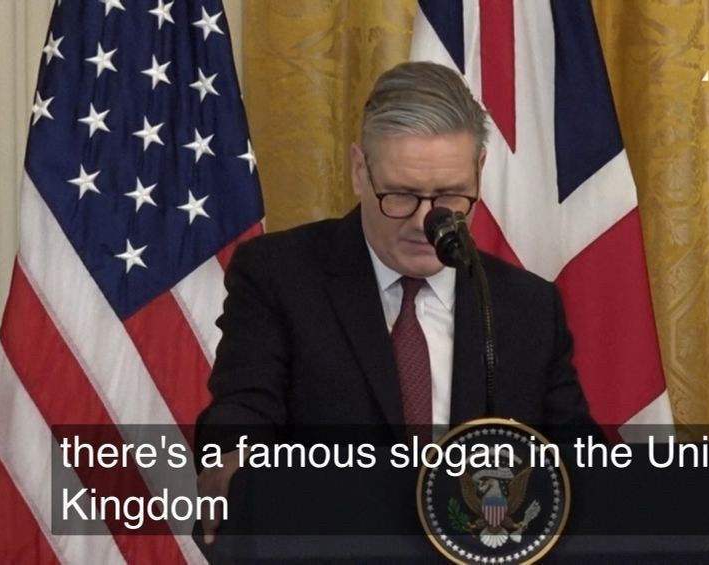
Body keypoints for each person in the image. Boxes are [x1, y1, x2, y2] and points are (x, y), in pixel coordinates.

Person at [194, 61, 599, 544]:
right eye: (402, 195)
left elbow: (580, 459)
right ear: (360, 170)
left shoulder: (526, 306)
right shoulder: (279, 275)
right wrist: (236, 463)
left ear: (479, 171)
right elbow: (242, 411)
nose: (425, 222)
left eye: (450, 195)